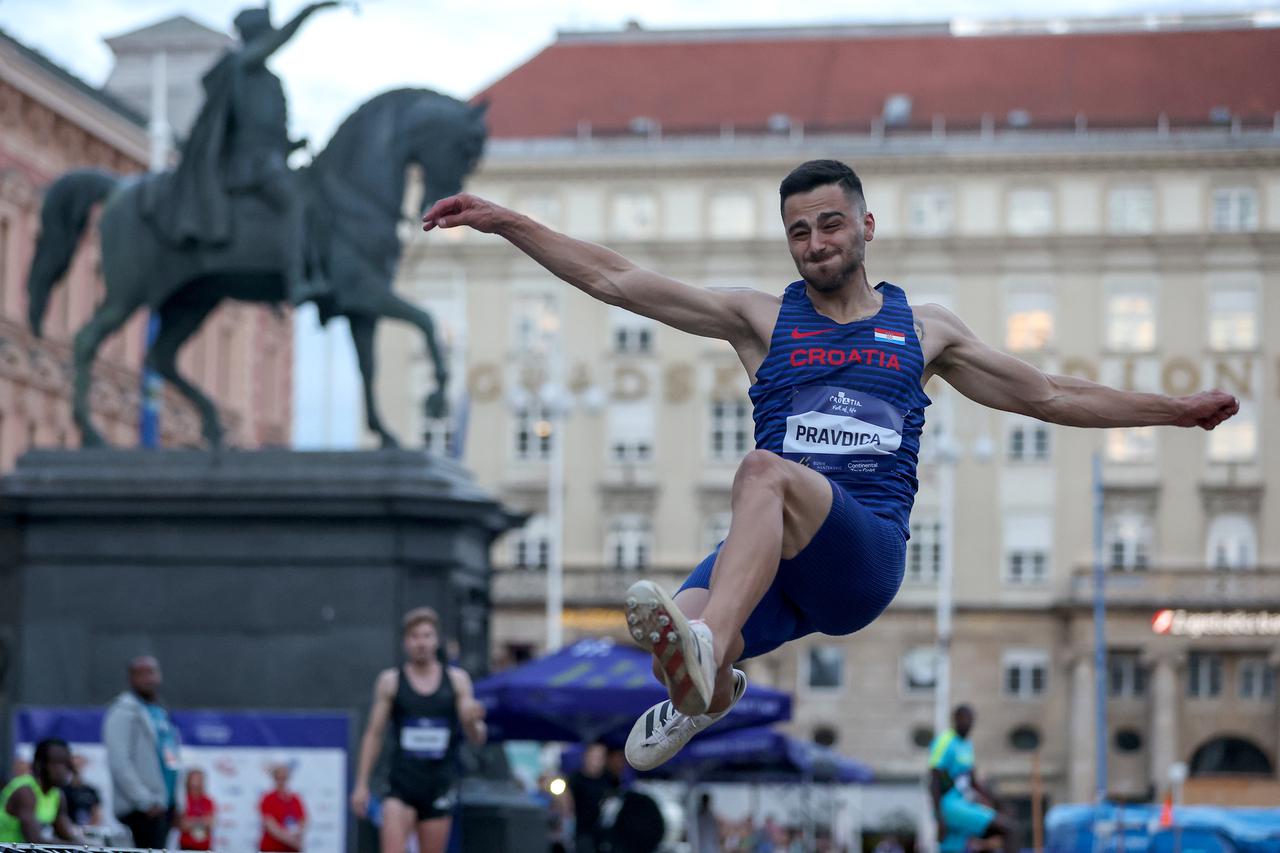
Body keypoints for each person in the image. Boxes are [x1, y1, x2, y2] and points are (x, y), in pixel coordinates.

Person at [421, 160, 1238, 769]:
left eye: (829, 224)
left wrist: (1172, 411)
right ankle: (707, 682)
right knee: (666, 621)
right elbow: (618, 279)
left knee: (763, 472)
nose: (815, 244)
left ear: (866, 226)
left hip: (861, 553)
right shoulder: (758, 319)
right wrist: (507, 223)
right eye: (798, 231)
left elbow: (1051, 393)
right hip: (776, 557)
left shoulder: (927, 327)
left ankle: (708, 653)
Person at [141, 2, 337, 305]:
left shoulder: (269, 81)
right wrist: (313, 8)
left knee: (315, 195)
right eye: (267, 35)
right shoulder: (239, 64)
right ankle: (297, 281)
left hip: (272, 161)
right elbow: (249, 134)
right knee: (295, 203)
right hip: (249, 166)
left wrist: (293, 145)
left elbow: (269, 130)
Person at [351, 607, 487, 853]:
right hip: (401, 782)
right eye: (415, 637)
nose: (421, 643)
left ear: (436, 640)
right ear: (405, 642)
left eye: (426, 636)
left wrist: (471, 720)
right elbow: (374, 733)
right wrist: (361, 784)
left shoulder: (457, 680)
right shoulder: (391, 681)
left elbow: (477, 736)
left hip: (439, 783)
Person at [104, 655, 181, 848]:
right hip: (143, 810)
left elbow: (169, 757)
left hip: (164, 806)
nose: (149, 679)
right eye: (142, 673)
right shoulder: (123, 711)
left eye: (152, 672)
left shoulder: (159, 711)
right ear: (131, 678)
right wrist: (144, 801)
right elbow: (119, 761)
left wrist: (174, 802)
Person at [930, 705, 1016, 853]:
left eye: (970, 719)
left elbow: (973, 782)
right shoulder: (944, 742)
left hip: (963, 803)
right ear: (955, 720)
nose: (968, 723)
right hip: (949, 805)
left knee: (953, 849)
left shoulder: (967, 745)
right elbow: (934, 780)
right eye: (964, 719)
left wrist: (998, 802)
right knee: (1008, 830)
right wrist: (939, 818)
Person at [0, 739, 81, 844]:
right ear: (39, 765)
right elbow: (34, 841)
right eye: (57, 763)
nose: (63, 769)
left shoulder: (57, 795)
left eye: (66, 763)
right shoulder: (25, 792)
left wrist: (89, 845)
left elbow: (66, 834)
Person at [565, 743, 611, 853]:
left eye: (600, 757)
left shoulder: (608, 779)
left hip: (604, 832)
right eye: (594, 757)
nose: (597, 761)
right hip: (582, 831)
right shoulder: (575, 779)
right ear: (586, 757)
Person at [260, 761, 307, 853]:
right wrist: (292, 841)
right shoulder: (268, 799)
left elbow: (303, 820)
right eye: (279, 778)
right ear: (274, 778)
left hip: (291, 849)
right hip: (272, 848)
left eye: (284, 778)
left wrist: (299, 833)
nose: (282, 781)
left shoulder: (295, 799)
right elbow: (271, 826)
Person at [177, 768, 216, 851]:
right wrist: (202, 821)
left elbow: (211, 823)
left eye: (199, 779)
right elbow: (183, 825)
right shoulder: (182, 800)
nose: (196, 783)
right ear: (188, 781)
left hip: (205, 848)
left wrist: (192, 821)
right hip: (186, 847)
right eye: (194, 779)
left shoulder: (208, 801)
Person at [63, 755, 103, 827]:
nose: (77, 770)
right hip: (68, 828)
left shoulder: (91, 791)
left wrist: (89, 828)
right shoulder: (63, 791)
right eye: (74, 766)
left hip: (88, 829)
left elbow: (97, 815)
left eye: (80, 766)